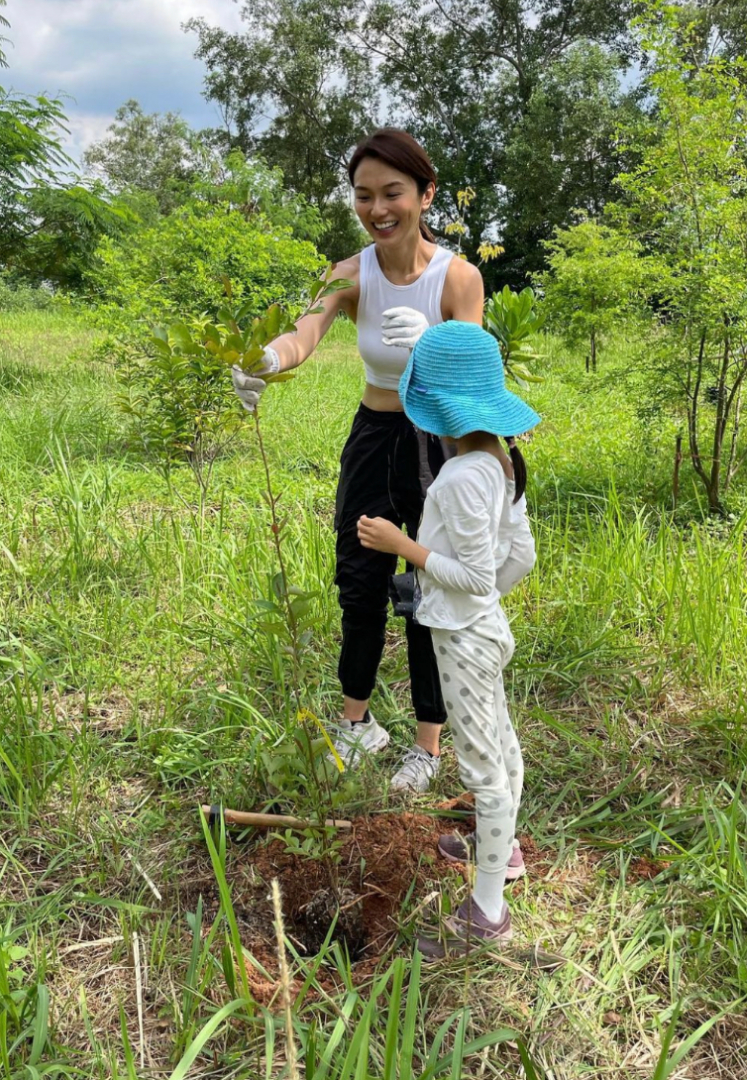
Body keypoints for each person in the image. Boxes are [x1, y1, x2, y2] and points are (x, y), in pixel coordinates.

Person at [233, 128, 486, 792]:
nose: (378, 208)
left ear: (426, 195)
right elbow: (304, 332)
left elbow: (479, 377)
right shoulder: (350, 272)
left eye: (393, 193)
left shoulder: (458, 278)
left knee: (429, 589)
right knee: (360, 583)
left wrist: (437, 343)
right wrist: (267, 361)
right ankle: (357, 724)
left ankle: (427, 748)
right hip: (374, 437)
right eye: (364, 195)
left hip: (439, 444)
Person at [358, 320, 538, 950]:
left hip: (462, 639)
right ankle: (504, 849)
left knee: (483, 766)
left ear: (434, 408)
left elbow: (474, 574)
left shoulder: (461, 477)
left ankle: (487, 911)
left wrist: (401, 544)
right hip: (485, 630)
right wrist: (488, 602)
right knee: (501, 741)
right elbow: (521, 554)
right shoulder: (500, 459)